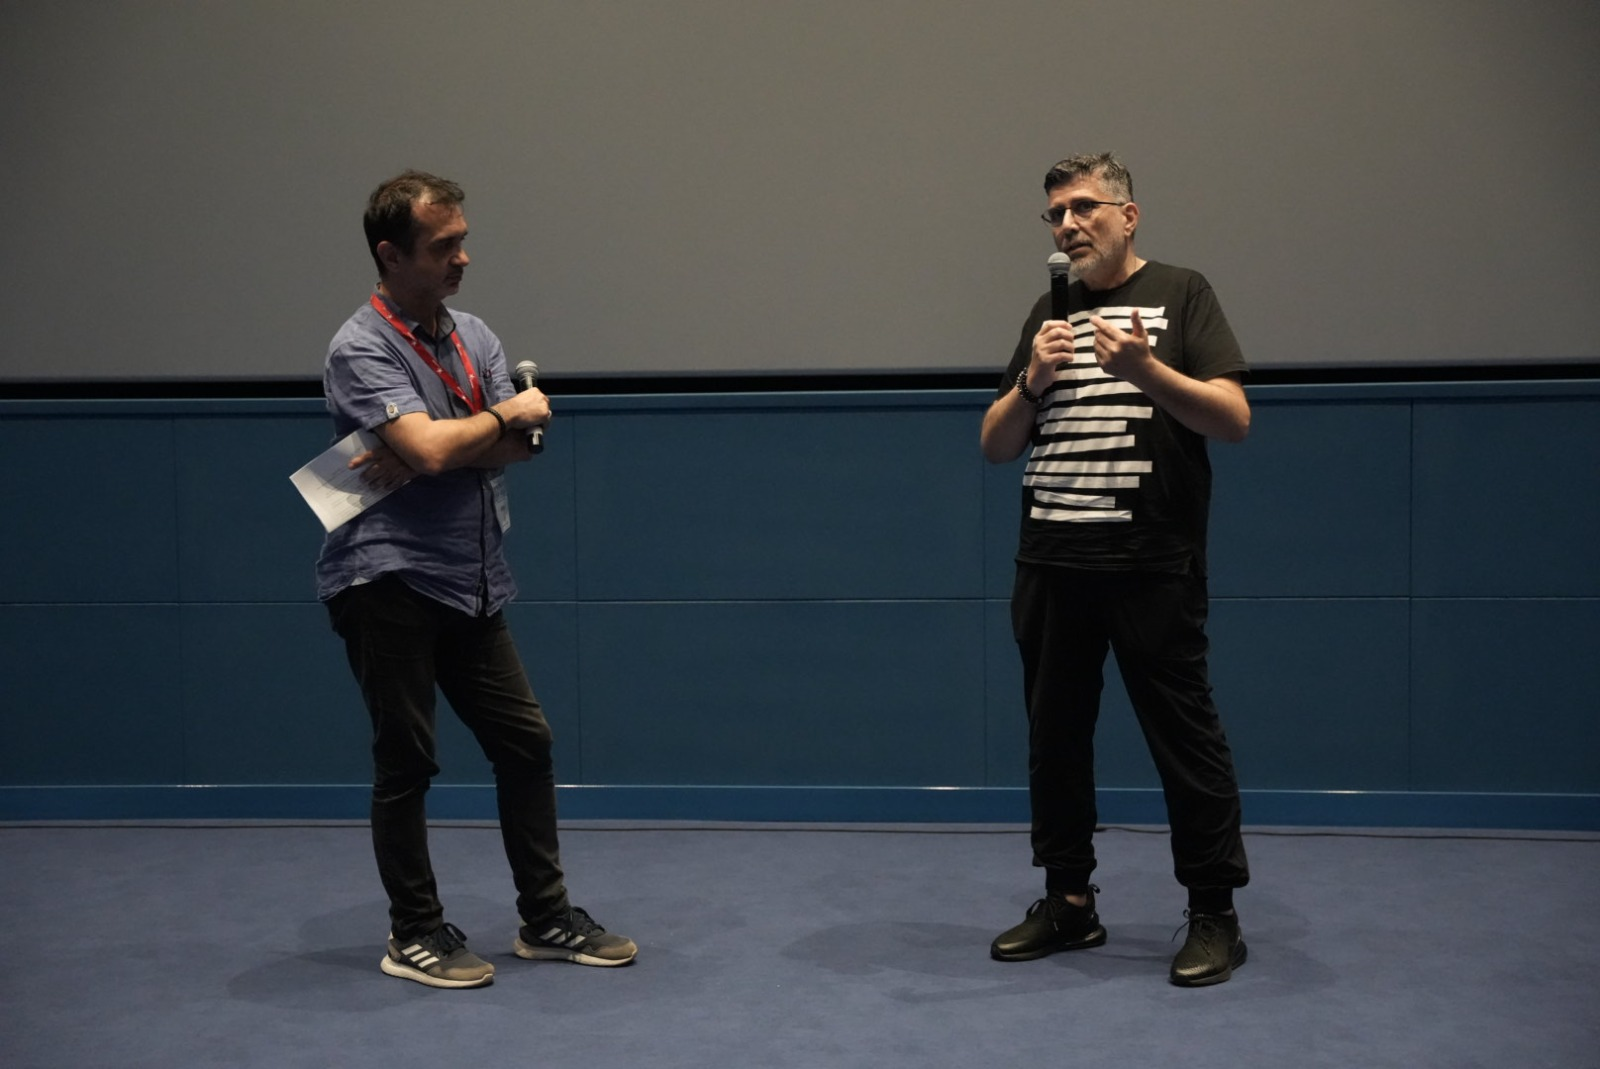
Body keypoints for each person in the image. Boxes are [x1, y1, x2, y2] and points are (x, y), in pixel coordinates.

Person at [317, 170, 635, 988]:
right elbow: (463, 440)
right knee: (408, 760)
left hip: (474, 578)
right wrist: (489, 422)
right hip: (385, 578)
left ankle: (546, 917)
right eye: (443, 246)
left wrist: (443, 444)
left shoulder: (476, 337)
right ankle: (414, 931)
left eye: (462, 241)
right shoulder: (360, 346)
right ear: (391, 255)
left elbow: (521, 447)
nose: (462, 258)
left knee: (526, 743)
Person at [979, 153, 1252, 986]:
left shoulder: (1182, 292)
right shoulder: (1047, 312)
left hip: (1150, 561)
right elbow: (994, 443)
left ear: (1127, 216)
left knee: (1185, 738)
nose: (1068, 224)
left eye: (1084, 207)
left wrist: (1145, 370)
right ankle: (1069, 901)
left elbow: (1234, 418)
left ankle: (1214, 912)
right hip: (1051, 560)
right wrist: (1032, 381)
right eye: (1056, 213)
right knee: (1054, 740)